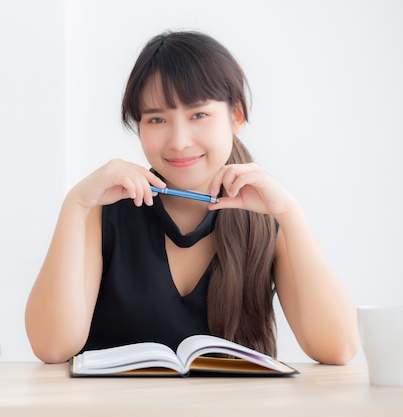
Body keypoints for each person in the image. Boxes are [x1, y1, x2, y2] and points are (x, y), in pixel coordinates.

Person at [25, 30, 359, 365]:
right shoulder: (106, 211)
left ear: (237, 116)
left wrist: (290, 214)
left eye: (198, 115)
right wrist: (76, 204)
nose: (179, 141)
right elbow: (52, 347)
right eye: (157, 119)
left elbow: (338, 348)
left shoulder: (268, 217)